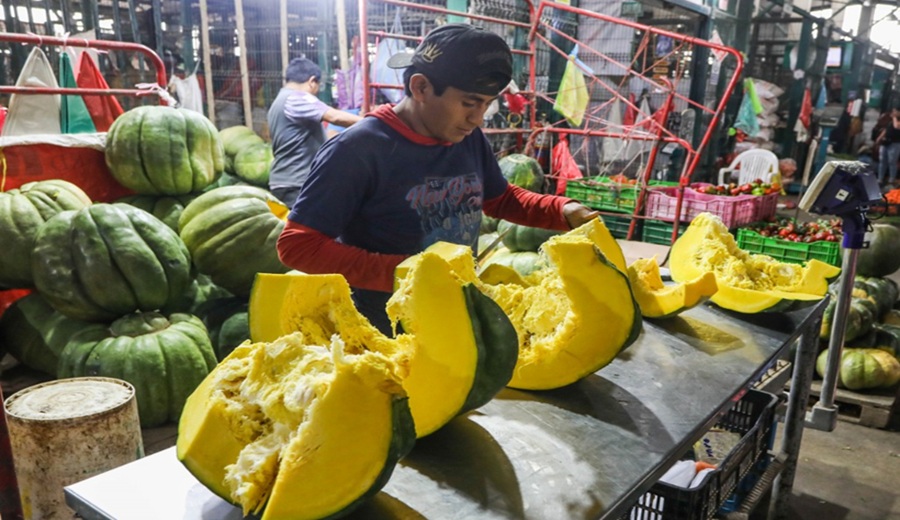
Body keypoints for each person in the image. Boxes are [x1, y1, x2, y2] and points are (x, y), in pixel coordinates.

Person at [276, 23, 599, 334]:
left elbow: (499, 199)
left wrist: (561, 210)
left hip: (454, 309)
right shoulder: (357, 150)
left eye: (486, 105)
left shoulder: (467, 137)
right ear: (421, 87)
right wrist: (405, 273)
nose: (477, 118)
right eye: (469, 103)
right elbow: (297, 245)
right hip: (384, 328)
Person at [267, 57, 363, 206]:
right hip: (298, 183)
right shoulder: (297, 98)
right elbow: (335, 117)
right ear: (312, 81)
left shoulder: (278, 102)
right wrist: (376, 122)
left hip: (284, 181)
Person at [875, 108, 900, 187]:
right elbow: (886, 130)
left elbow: (897, 127)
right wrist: (879, 138)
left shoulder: (896, 120)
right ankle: (880, 179)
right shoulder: (890, 121)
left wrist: (894, 117)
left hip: (894, 143)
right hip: (885, 142)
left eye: (895, 112)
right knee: (882, 161)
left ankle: (891, 180)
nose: (893, 113)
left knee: (892, 161)